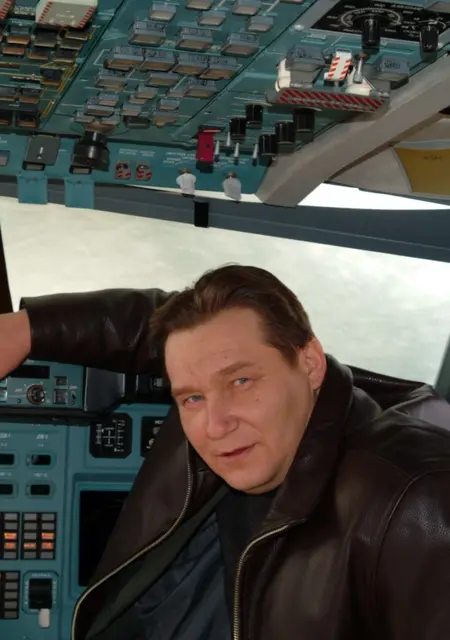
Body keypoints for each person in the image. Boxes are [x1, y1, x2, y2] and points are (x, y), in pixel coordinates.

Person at [1, 264, 450, 640]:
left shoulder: (414, 500)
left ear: (310, 362)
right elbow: (169, 323)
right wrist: (27, 328)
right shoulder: (227, 371)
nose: (215, 427)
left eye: (241, 381)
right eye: (192, 398)